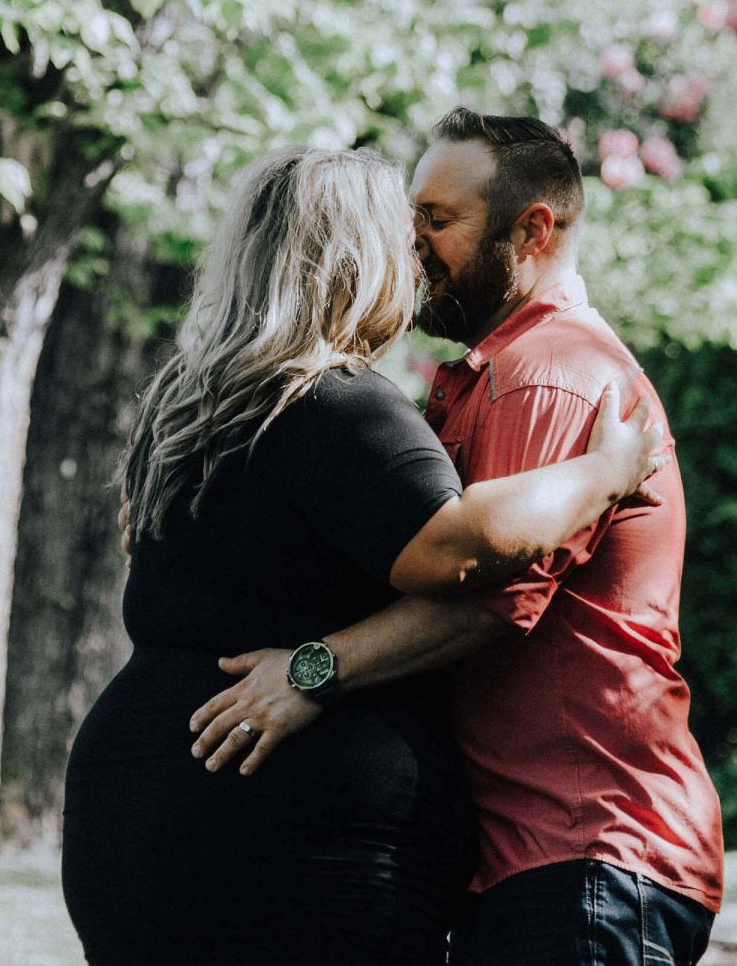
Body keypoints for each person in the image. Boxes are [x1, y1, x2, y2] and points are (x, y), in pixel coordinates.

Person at [62, 144, 666, 966]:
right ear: (360, 257)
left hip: (132, 809)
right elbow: (458, 551)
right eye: (407, 233)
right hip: (285, 842)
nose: (421, 253)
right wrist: (603, 472)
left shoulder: (191, 406)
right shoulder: (335, 404)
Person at [191, 112, 724, 966]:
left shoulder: (549, 376)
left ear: (532, 230)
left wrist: (308, 674)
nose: (409, 245)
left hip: (587, 844)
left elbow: (486, 601)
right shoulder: (488, 377)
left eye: (437, 220)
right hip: (532, 858)